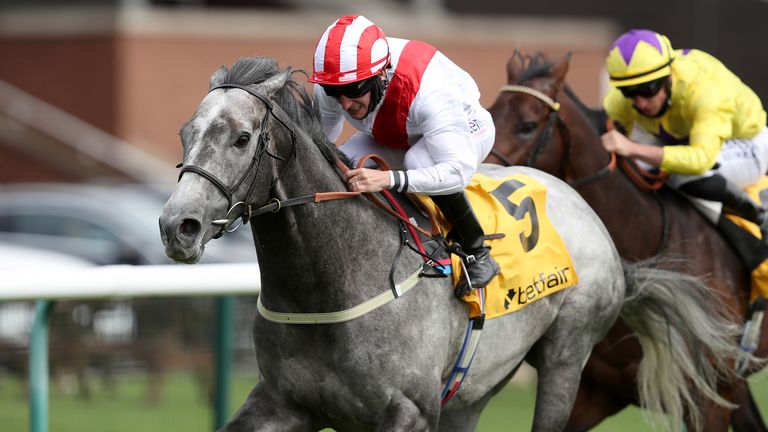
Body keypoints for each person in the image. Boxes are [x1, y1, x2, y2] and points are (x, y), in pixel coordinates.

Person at [601, 29, 768, 366]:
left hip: (748, 146)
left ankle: (755, 215)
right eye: (629, 93)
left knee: (679, 171)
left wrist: (631, 146)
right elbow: (607, 121)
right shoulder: (631, 97)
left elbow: (700, 159)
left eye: (647, 90)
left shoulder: (704, 87)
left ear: (668, 76)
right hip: (687, 145)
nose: (640, 102)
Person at [309, 15, 499, 297]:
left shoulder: (431, 93)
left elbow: (457, 172)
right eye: (334, 93)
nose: (345, 103)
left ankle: (477, 250)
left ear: (381, 74)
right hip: (396, 130)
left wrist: (388, 179)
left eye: (352, 92)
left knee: (418, 162)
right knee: (340, 165)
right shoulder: (336, 79)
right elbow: (320, 143)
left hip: (466, 128)